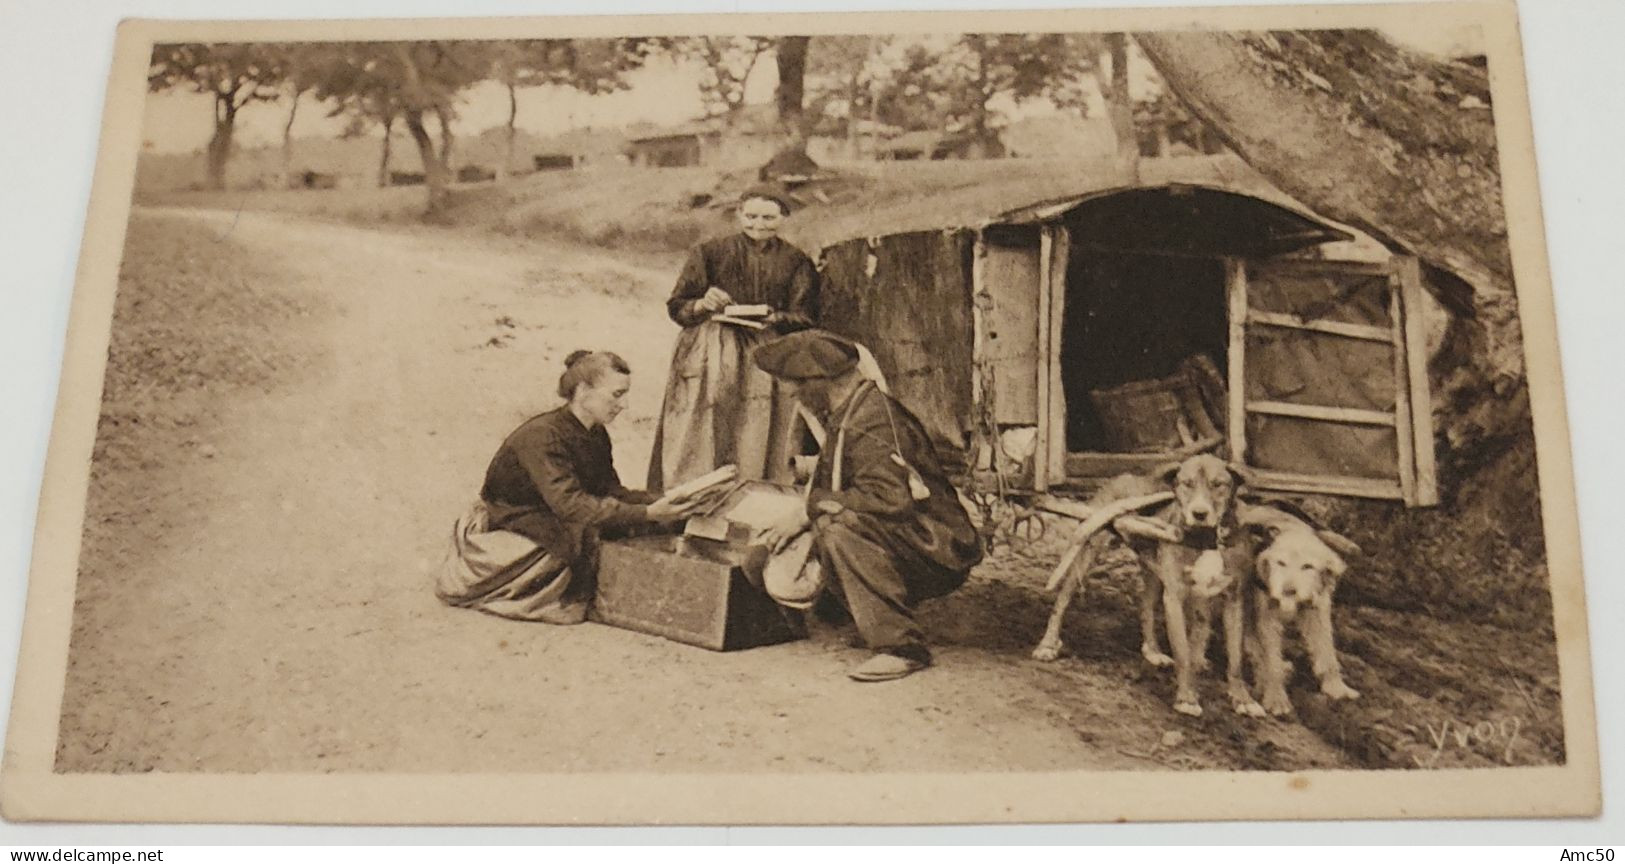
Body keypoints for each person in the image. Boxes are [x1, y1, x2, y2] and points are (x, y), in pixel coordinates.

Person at [752, 330, 984, 682]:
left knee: (838, 527)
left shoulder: (874, 419)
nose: (794, 396)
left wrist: (808, 510)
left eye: (797, 388)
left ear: (819, 381)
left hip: (939, 547)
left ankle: (902, 647)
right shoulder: (857, 408)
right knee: (824, 519)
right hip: (917, 535)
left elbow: (889, 499)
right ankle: (855, 615)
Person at [438, 350, 713, 623]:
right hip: (516, 513)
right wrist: (648, 513)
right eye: (617, 394)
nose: (624, 405)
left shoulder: (595, 432)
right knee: (583, 535)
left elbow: (608, 490)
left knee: (632, 523)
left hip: (555, 507)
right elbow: (570, 504)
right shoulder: (542, 436)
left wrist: (666, 500)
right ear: (583, 390)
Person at [647, 185, 819, 492]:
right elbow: (677, 307)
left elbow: (805, 317)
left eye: (768, 217)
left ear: (784, 217)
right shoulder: (709, 252)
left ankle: (752, 497)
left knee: (758, 429)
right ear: (738, 214)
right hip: (711, 350)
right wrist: (702, 303)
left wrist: (774, 318)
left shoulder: (797, 262)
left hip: (765, 353)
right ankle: (691, 498)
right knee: (703, 426)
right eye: (750, 216)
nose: (758, 224)